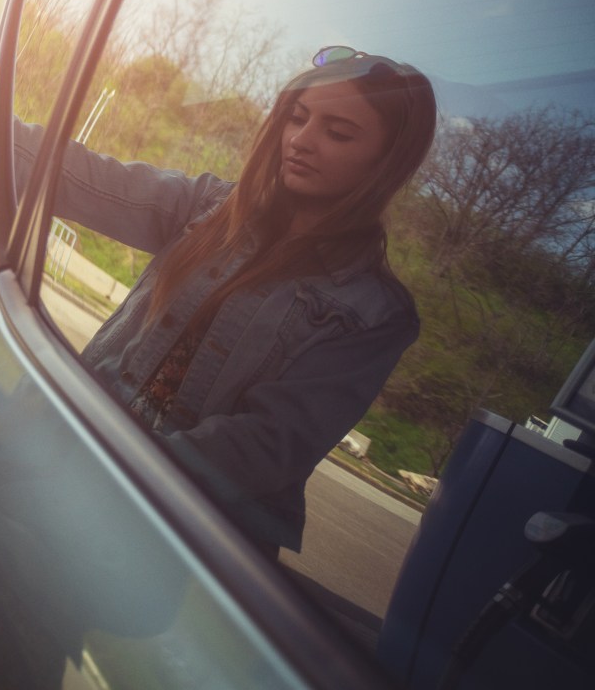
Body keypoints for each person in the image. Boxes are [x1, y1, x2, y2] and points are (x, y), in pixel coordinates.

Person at [48, 47, 437, 554]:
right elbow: (86, 178)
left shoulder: (374, 313)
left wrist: (115, 470)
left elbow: (265, 446)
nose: (300, 140)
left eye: (338, 132)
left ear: (386, 163)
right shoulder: (209, 208)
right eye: (296, 118)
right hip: (76, 454)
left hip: (185, 538)